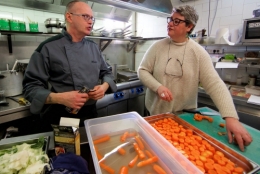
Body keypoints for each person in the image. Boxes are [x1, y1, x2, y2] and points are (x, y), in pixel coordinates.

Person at [137, 5, 252, 151]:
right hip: (155, 114)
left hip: (185, 118)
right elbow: (142, 71)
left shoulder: (198, 53)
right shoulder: (157, 47)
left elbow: (215, 84)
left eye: (176, 21)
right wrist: (158, 87)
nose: (170, 23)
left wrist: (231, 117)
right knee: (154, 150)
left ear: (189, 27)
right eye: (170, 19)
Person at [23, 0, 116, 131]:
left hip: (90, 114)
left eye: (92, 18)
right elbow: (30, 87)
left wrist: (104, 86)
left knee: (89, 149)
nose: (91, 22)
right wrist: (61, 98)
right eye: (85, 16)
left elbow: (107, 73)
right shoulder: (48, 48)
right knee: (66, 151)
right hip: (60, 116)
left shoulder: (93, 47)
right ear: (69, 17)